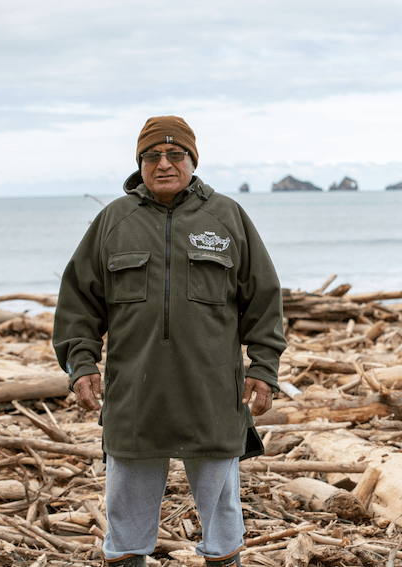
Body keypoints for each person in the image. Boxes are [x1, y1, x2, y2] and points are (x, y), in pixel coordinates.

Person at [53, 116, 287, 567]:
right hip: (134, 398)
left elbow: (263, 299)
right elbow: (78, 303)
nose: (164, 163)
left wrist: (263, 367)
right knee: (124, 525)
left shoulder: (227, 217)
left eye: (175, 154)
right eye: (152, 156)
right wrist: (80, 363)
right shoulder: (112, 222)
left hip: (213, 395)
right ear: (139, 163)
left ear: (192, 160)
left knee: (223, 519)